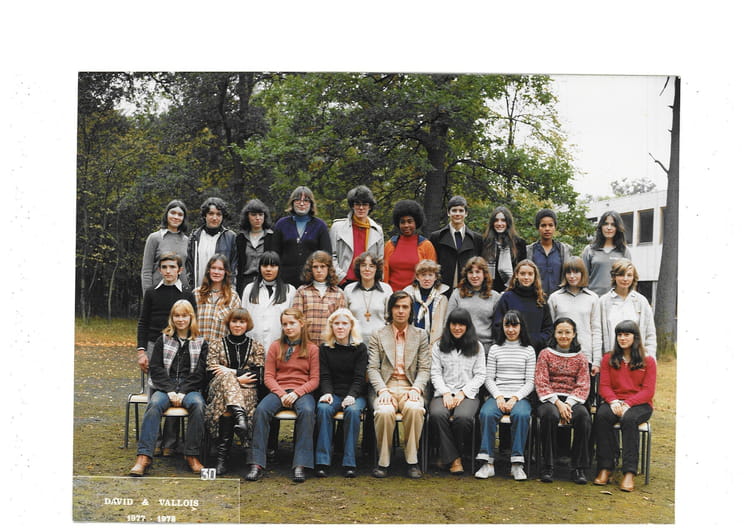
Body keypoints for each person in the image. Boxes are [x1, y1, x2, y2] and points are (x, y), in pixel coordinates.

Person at [129, 300, 208, 476]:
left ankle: (192, 455)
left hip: (190, 387)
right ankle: (144, 456)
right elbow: (156, 369)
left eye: (184, 316)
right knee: (154, 404)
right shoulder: (163, 340)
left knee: (198, 405)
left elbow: (200, 373)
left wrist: (183, 391)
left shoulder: (201, 342)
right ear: (172, 318)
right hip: (165, 386)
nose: (181, 319)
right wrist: (170, 390)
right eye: (177, 316)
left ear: (191, 317)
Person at [245, 308, 320, 482]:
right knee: (261, 411)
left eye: (292, 323)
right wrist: (280, 393)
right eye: (285, 324)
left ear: (301, 324)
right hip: (279, 390)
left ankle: (300, 464)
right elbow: (268, 377)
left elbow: (315, 380)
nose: (288, 327)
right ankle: (257, 463)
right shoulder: (275, 346)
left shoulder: (312, 349)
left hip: (302, 391)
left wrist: (297, 393)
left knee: (308, 411)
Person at [135, 252, 196, 456]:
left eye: (172, 267)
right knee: (155, 393)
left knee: (176, 390)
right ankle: (155, 440)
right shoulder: (152, 292)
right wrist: (142, 351)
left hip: (179, 346)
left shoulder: (187, 294)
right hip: (155, 345)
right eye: (164, 267)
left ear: (180, 270)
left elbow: (192, 323)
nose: (168, 271)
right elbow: (143, 322)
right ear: (159, 270)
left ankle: (170, 442)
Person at [367, 291, 431, 479]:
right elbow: (372, 368)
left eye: (405, 307)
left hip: (410, 385)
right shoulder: (378, 334)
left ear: (411, 311)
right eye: (397, 307)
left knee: (414, 408)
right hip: (385, 385)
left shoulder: (420, 335)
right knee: (384, 411)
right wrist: (382, 390)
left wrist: (417, 388)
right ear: (390, 309)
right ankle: (383, 462)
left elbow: (424, 368)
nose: (401, 311)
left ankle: (412, 461)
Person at [593, 320, 657, 492]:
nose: (622, 338)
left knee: (629, 419)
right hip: (615, 401)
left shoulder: (648, 361)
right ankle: (606, 467)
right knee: (602, 416)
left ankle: (629, 472)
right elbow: (604, 386)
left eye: (626, 334)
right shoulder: (608, 358)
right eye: (619, 335)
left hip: (640, 404)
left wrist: (628, 403)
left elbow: (648, 391)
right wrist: (614, 401)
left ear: (635, 337)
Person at [475, 310, 536, 481]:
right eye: (507, 325)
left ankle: (517, 464)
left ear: (521, 327)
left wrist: (515, 397)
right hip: (498, 395)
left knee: (522, 415)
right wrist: (499, 396)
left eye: (514, 325)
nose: (511, 329)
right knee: (486, 414)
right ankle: (487, 463)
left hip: (520, 397)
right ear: (502, 327)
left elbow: (530, 382)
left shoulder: (529, 350)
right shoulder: (495, 349)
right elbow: (488, 378)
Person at [205, 308, 266, 476]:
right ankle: (241, 420)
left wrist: (230, 371)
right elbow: (211, 372)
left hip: (246, 391)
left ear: (247, 324)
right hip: (218, 389)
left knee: (227, 407)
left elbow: (259, 375)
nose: (237, 325)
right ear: (228, 323)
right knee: (225, 379)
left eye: (241, 322)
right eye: (234, 321)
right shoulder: (216, 344)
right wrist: (237, 378)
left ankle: (222, 459)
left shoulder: (256, 346)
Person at [534, 317, 591, 484]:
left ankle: (578, 468)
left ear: (574, 334)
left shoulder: (581, 357)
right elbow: (541, 382)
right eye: (560, 332)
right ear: (554, 333)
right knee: (549, 415)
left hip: (572, 399)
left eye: (567, 332)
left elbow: (583, 385)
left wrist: (568, 404)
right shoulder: (545, 354)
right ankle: (548, 466)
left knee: (583, 417)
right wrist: (558, 403)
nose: (564, 336)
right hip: (549, 399)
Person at [429, 308, 486, 475]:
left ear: (468, 326)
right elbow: (435, 373)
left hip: (468, 394)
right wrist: (445, 393)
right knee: (437, 414)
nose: (457, 328)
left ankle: (446, 456)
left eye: (461, 324)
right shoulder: (439, 346)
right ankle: (455, 459)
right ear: (448, 325)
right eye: (454, 324)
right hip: (443, 392)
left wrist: (463, 393)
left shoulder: (477, 347)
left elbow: (480, 375)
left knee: (463, 418)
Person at [314, 309, 369, 478]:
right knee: (323, 408)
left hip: (355, 394)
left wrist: (352, 396)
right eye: (336, 323)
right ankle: (322, 461)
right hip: (334, 393)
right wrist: (327, 393)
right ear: (331, 326)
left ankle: (349, 462)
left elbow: (360, 377)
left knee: (352, 411)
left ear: (351, 326)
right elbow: (324, 375)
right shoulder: (325, 348)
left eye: (344, 323)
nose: (340, 327)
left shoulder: (360, 348)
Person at [548, 257, 603, 376]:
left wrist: (597, 360)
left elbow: (596, 330)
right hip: (560, 354)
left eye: (576, 272)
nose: (572, 276)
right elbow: (550, 329)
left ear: (582, 273)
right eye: (568, 272)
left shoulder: (592, 298)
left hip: (585, 355)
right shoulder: (555, 298)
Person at [271, 186, 332, 287]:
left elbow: (326, 256)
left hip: (312, 282)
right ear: (292, 202)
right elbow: (274, 254)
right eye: (298, 200)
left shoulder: (320, 225)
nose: (302, 204)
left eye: (306, 200)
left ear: (311, 204)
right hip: (285, 282)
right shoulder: (281, 224)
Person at [599, 258, 657, 358]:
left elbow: (650, 334)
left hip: (636, 359)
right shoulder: (603, 302)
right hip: (612, 359)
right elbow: (598, 334)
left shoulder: (641, 301)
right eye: (621, 275)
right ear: (614, 276)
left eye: (629, 275)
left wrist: (650, 358)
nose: (625, 279)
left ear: (634, 277)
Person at [492, 259, 553, 354]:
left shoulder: (541, 299)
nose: (526, 277)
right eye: (522, 273)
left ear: (535, 276)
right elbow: (497, 325)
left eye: (530, 274)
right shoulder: (507, 298)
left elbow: (548, 328)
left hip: (535, 351)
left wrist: (535, 341)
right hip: (510, 350)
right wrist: (513, 341)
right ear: (516, 275)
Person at [241, 251, 296, 353]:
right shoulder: (249, 289)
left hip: (280, 347)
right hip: (253, 346)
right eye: (265, 265)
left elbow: (293, 322)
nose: (268, 269)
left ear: (279, 268)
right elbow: (243, 318)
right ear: (259, 267)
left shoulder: (289, 291)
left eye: (273, 266)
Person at [329, 185, 385, 286]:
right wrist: (341, 278)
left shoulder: (377, 230)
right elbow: (331, 255)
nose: (361, 208)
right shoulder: (337, 227)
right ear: (352, 206)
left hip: (368, 282)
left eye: (365, 204)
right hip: (343, 282)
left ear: (370, 206)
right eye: (357, 204)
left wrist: (376, 280)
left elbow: (380, 259)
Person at [428, 195, 483, 296]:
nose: (457, 214)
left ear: (466, 213)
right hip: (442, 290)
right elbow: (432, 264)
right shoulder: (436, 237)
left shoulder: (477, 239)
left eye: (461, 211)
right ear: (448, 212)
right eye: (454, 210)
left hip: (468, 290)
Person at [447, 256, 502, 355]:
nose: (474, 276)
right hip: (461, 347)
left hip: (486, 349)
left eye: (478, 272)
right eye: (470, 272)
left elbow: (498, 326)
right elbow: (448, 321)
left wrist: (494, 348)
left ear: (484, 274)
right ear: (466, 275)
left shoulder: (495, 297)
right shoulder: (457, 294)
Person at [291, 251, 347, 345]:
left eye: (323, 266)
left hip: (330, 345)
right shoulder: (302, 291)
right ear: (310, 269)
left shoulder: (338, 293)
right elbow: (297, 319)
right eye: (315, 267)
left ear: (329, 268)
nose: (319, 270)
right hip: (307, 344)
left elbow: (341, 321)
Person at [383, 199, 437, 291]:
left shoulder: (426, 246)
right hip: (392, 295)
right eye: (402, 222)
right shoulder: (390, 244)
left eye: (409, 221)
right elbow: (384, 273)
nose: (406, 225)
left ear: (416, 222)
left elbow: (432, 274)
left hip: (416, 295)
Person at [186, 197, 237, 290]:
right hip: (198, 291)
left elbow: (234, 268)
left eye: (218, 214)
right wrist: (190, 288)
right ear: (205, 215)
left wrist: (231, 288)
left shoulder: (231, 237)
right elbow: (189, 267)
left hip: (222, 292)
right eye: (211, 213)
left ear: (223, 216)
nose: (214, 218)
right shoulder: (195, 237)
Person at [343, 251, 393, 347]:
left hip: (380, 343)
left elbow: (390, 318)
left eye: (371, 266)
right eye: (363, 265)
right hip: (355, 343)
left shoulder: (386, 289)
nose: (367, 269)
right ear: (358, 268)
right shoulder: (348, 289)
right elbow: (344, 317)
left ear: (376, 269)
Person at [141, 199, 190, 293]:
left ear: (184, 218)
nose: (176, 217)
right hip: (158, 293)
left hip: (181, 295)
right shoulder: (154, 238)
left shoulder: (188, 241)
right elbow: (146, 271)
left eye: (180, 214)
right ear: (166, 214)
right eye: (173, 213)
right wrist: (148, 296)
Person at [194, 254, 241, 344]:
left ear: (226, 272)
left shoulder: (233, 297)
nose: (216, 272)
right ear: (208, 270)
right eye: (213, 268)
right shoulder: (196, 293)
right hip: (197, 348)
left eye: (220, 269)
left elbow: (237, 328)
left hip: (220, 349)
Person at [581, 210, 632, 296]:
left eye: (613, 225)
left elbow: (629, 278)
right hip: (593, 299)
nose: (609, 228)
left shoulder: (624, 251)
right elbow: (582, 279)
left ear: (617, 228)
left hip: (616, 300)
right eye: (605, 224)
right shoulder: (589, 250)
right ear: (601, 226)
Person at [402, 259, 449, 349]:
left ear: (436, 277)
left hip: (434, 346)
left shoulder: (442, 299)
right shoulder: (408, 296)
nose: (427, 279)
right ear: (417, 277)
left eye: (430, 275)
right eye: (423, 275)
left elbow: (445, 324)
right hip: (411, 344)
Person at [526, 208, 572, 297]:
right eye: (543, 225)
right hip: (535, 298)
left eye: (551, 225)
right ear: (538, 228)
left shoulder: (563, 250)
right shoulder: (529, 250)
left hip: (559, 298)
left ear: (555, 227)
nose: (547, 229)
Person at [481, 205, 527, 293]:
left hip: (512, 291)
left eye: (503, 220)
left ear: (508, 222)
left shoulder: (519, 243)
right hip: (488, 291)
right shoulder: (484, 243)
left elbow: (522, 270)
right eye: (496, 220)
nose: (499, 223)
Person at [236, 199, 274, 298]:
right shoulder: (240, 238)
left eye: (260, 215)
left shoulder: (272, 237)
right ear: (247, 217)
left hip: (266, 281)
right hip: (245, 282)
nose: (257, 218)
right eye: (253, 215)